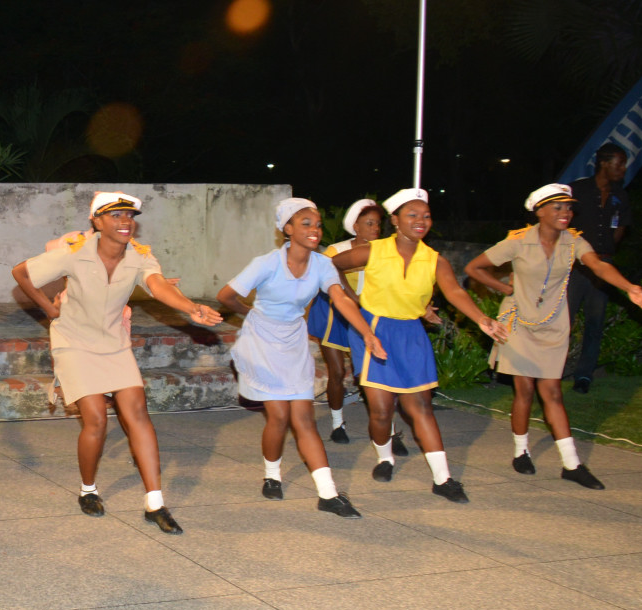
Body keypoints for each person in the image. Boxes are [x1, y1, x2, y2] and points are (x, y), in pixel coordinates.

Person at [12, 192, 223, 531]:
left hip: (113, 341)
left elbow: (157, 285)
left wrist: (190, 307)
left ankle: (155, 503)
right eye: (115, 215)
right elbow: (21, 273)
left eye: (129, 215)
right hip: (74, 342)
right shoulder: (75, 252)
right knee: (96, 419)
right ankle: (88, 490)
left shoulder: (140, 256)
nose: (125, 221)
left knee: (137, 412)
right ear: (96, 221)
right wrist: (49, 308)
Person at [463, 183, 642, 489]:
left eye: (569, 207)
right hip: (519, 322)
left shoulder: (574, 242)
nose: (566, 213)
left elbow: (598, 266)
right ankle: (521, 451)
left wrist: (630, 287)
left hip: (553, 323)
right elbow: (475, 267)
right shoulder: (518, 241)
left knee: (552, 392)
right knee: (525, 390)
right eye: (558, 207)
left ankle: (571, 464)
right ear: (539, 211)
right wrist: (504, 288)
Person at [332, 187, 509, 502]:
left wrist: (483, 319)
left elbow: (455, 292)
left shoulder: (434, 260)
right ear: (395, 220)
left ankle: (443, 479)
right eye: (412, 215)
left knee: (420, 407)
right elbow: (331, 266)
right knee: (382, 410)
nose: (421, 221)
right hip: (373, 330)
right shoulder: (373, 251)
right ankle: (385, 458)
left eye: (426, 216)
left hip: (411, 334)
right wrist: (349, 298)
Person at [218, 199, 386, 516]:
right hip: (261, 340)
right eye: (306, 223)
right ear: (288, 229)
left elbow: (341, 299)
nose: (315, 230)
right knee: (279, 416)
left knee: (304, 418)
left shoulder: (322, 264)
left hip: (293, 340)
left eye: (318, 224)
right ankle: (272, 475)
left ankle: (328, 494)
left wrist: (366, 332)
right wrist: (248, 311)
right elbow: (225, 296)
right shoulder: (266, 263)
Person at [308, 198, 410, 453]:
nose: (375, 228)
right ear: (355, 226)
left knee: (376, 376)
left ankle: (390, 431)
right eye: (369, 223)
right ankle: (337, 424)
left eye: (378, 224)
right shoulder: (337, 250)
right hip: (335, 313)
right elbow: (325, 276)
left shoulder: (386, 249)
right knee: (337, 371)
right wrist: (352, 298)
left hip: (369, 316)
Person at [566, 142, 634, 392]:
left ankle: (584, 376)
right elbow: (560, 221)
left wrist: (606, 251)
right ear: (604, 163)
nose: (623, 169)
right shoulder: (579, 190)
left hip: (604, 265)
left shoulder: (620, 195)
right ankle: (551, 371)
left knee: (595, 323)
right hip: (576, 266)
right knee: (564, 321)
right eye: (620, 163)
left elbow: (621, 227)